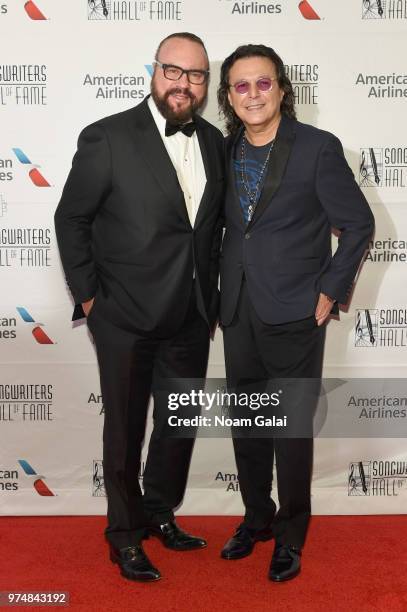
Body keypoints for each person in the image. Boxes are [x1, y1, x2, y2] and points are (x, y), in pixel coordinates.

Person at [55, 32, 224, 583]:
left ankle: (159, 514)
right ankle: (124, 535)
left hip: (192, 312)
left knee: (177, 425)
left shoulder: (216, 143)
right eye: (174, 70)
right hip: (124, 313)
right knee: (125, 430)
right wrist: (89, 297)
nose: (184, 83)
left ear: (205, 83)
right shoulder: (107, 137)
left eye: (196, 75)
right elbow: (71, 219)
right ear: (154, 71)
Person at [217, 44, 374, 582]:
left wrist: (330, 288)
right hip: (236, 308)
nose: (253, 94)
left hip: (295, 310)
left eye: (264, 83)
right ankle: (256, 517)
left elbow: (358, 223)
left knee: (289, 427)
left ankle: (290, 532)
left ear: (283, 89)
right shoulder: (224, 149)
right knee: (249, 424)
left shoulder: (317, 148)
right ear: (229, 97)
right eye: (242, 86)